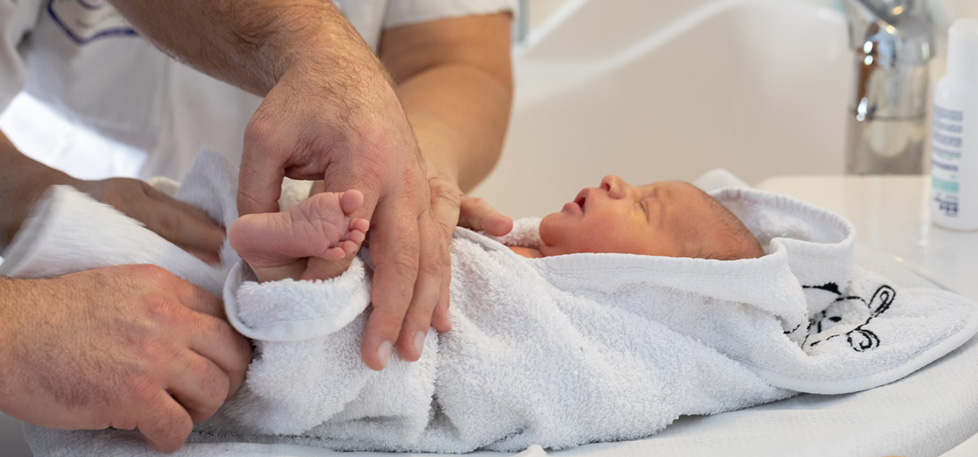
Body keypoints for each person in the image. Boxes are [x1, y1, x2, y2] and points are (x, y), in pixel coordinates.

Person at [0, 0, 515, 452]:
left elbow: (455, 60)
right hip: (125, 227)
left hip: (205, 230)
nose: (601, 182)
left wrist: (415, 163)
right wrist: (20, 198)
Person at [230, 174, 765, 282]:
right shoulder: (522, 247)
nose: (616, 180)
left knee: (323, 287)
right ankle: (286, 248)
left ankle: (276, 258)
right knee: (347, 248)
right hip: (381, 263)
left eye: (645, 208)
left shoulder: (572, 305)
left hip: (374, 307)